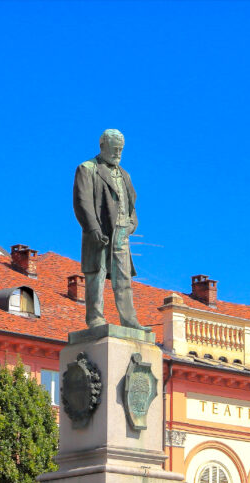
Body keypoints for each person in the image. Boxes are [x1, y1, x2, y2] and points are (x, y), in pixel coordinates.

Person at [73, 129, 149, 331]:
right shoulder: (87, 168)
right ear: (102, 146)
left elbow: (131, 202)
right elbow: (83, 202)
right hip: (100, 232)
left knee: (123, 277)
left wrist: (133, 222)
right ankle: (95, 318)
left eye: (121, 149)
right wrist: (93, 229)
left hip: (122, 233)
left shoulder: (125, 174)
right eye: (114, 148)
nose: (117, 153)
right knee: (96, 275)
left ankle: (129, 320)